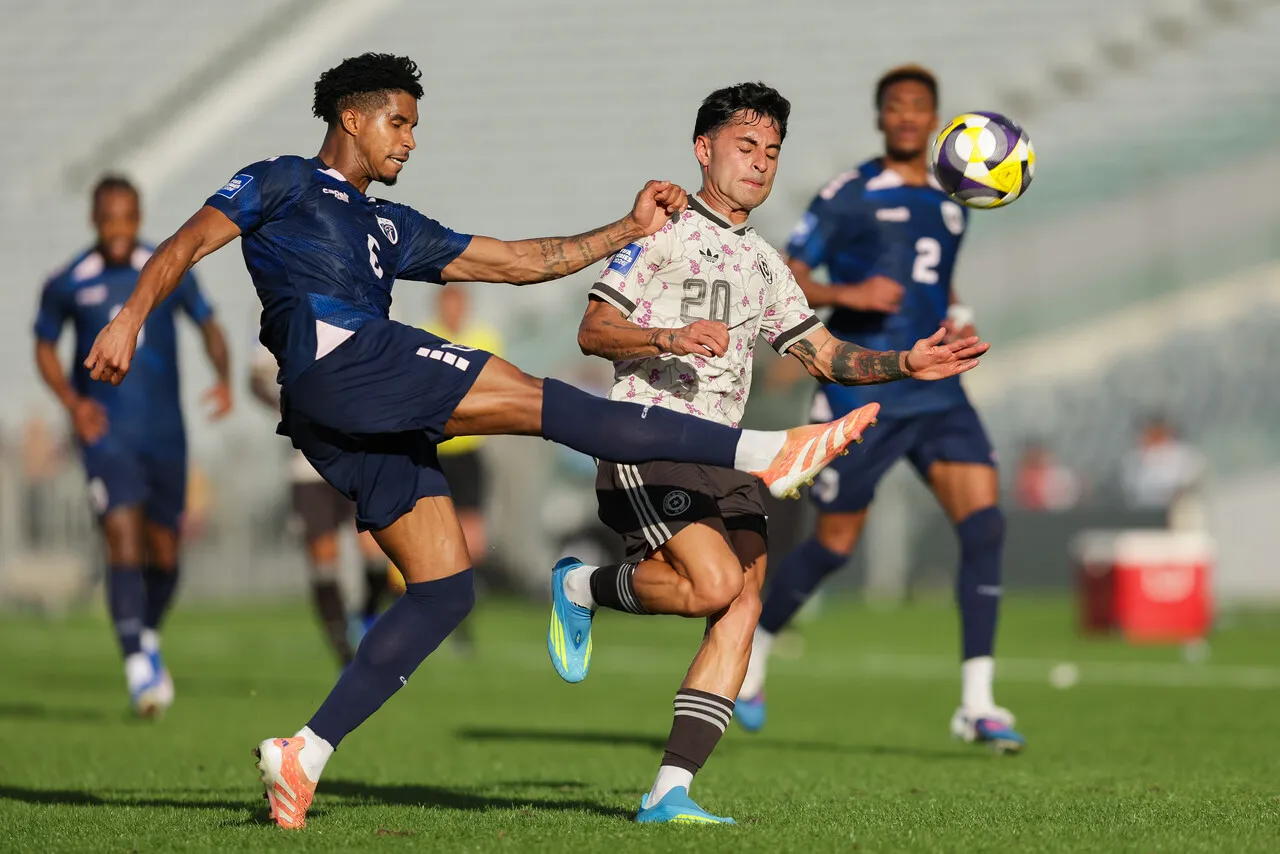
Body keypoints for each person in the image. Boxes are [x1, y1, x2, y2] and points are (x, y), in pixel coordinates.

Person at [82, 53, 877, 829]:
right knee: (535, 396)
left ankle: (305, 752)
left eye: (415, 125)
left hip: (338, 414)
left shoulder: (390, 224)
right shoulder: (284, 179)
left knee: (444, 589)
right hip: (346, 357)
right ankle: (761, 451)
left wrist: (626, 229)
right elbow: (185, 243)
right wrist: (129, 316)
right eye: (399, 122)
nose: (411, 140)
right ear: (350, 118)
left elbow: (516, 264)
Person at [549, 82, 990, 824]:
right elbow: (593, 332)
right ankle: (580, 587)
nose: (759, 163)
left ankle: (669, 793)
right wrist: (667, 337)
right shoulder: (659, 230)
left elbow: (822, 353)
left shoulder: (763, 263)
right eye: (745, 146)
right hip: (646, 436)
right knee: (719, 585)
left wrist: (905, 362)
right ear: (704, 150)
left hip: (730, 455)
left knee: (742, 608)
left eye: (772, 152)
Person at [736, 65, 1026, 753]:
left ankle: (978, 702)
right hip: (861, 389)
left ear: (936, 120)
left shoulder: (957, 201)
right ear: (880, 118)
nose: (906, 117)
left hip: (937, 388)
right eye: (894, 106)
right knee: (834, 546)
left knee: (984, 528)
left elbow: (937, 280)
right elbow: (787, 269)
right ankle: (756, 651)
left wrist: (954, 318)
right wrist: (855, 295)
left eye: (918, 107)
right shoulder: (848, 193)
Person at [33, 174, 231, 717]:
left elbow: (209, 324)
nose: (117, 228)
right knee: (122, 539)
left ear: (139, 218)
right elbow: (44, 346)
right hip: (106, 435)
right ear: (94, 220)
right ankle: (139, 671)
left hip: (166, 434)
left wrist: (223, 375)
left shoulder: (165, 267)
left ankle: (144, 634)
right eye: (107, 218)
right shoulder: (69, 281)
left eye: (126, 217)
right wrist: (74, 406)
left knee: (165, 554)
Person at [250, 343, 391, 667]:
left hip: (358, 460)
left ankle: (367, 616)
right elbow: (256, 378)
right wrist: (283, 406)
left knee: (376, 553)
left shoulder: (368, 300)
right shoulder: (281, 307)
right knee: (324, 559)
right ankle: (344, 653)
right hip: (307, 467)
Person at [422, 285, 503, 651]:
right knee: (432, 538)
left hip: (468, 454)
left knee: (473, 542)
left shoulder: (484, 338)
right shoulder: (423, 337)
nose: (453, 311)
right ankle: (427, 609)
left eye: (459, 305)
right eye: (447, 304)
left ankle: (461, 618)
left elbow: (492, 390)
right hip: (433, 451)